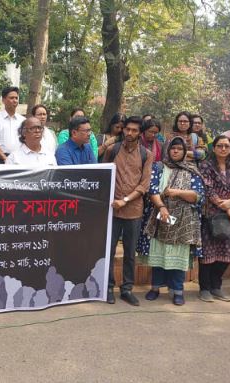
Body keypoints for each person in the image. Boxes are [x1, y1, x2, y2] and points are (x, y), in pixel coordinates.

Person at [140, 136, 204, 306]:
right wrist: (162, 207)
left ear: (184, 152)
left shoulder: (191, 170)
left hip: (184, 221)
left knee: (178, 257)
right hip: (161, 217)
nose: (176, 151)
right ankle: (155, 288)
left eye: (180, 149)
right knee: (159, 254)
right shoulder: (159, 167)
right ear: (167, 150)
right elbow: (152, 190)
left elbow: (198, 196)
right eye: (173, 148)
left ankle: (177, 291)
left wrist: (176, 192)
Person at [105, 116, 153, 305]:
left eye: (134, 130)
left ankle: (126, 289)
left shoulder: (146, 154)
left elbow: (144, 185)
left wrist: (124, 200)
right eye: (127, 129)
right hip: (112, 210)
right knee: (108, 251)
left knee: (129, 253)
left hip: (133, 210)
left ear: (140, 133)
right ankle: (109, 288)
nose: (130, 133)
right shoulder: (112, 149)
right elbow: (104, 173)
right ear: (123, 130)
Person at [197, 135, 230, 302]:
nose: (223, 149)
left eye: (226, 146)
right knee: (209, 254)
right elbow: (208, 189)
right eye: (219, 146)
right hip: (211, 214)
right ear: (214, 148)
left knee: (226, 253)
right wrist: (225, 206)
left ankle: (216, 287)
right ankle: (204, 289)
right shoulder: (206, 166)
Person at [0, 86, 25, 164]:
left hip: (19, 160)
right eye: (11, 98)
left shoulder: (23, 120)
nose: (15, 100)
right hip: (0, 159)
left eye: (16, 98)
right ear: (3, 100)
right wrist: (6, 159)